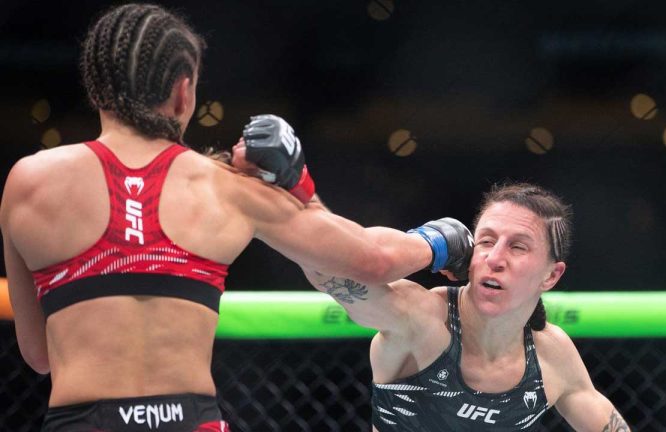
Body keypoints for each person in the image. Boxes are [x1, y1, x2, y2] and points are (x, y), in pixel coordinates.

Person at [0, 4, 472, 432]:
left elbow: (39, 355)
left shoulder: (28, 183)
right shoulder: (226, 189)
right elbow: (371, 261)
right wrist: (442, 240)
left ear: (96, 86)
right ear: (184, 91)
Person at [239, 136, 630, 431]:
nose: (495, 258)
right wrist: (428, 245)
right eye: (488, 241)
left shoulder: (552, 356)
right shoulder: (422, 319)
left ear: (551, 275)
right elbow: (327, 266)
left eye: (518, 247)